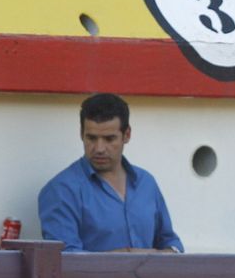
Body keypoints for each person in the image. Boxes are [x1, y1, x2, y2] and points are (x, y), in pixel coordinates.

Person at [37, 94, 184, 254]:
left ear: (126, 135)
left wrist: (163, 254)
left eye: (109, 139)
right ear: (81, 134)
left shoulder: (146, 182)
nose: (99, 148)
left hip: (148, 272)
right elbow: (66, 259)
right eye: (91, 138)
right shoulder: (61, 190)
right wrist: (127, 256)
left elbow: (170, 242)